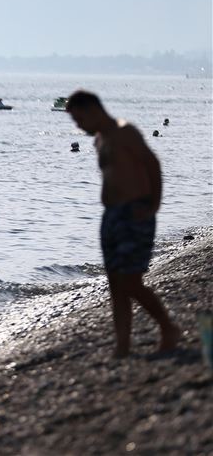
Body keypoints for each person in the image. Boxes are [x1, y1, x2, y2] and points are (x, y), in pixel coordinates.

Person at [66, 90, 180, 357]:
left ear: (93, 110)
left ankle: (168, 327)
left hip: (135, 213)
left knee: (130, 281)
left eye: (79, 118)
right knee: (115, 285)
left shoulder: (125, 131)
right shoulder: (99, 139)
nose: (77, 125)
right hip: (112, 217)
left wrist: (154, 205)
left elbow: (153, 165)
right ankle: (122, 347)